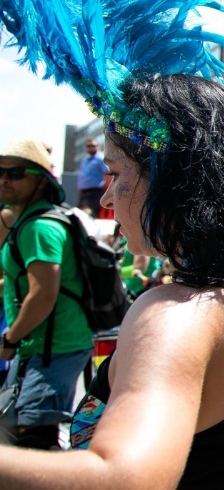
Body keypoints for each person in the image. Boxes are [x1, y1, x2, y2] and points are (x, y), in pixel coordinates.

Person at [0, 139, 92, 450]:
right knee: (21, 432)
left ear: (41, 180)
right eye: (0, 173)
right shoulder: (29, 221)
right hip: (44, 345)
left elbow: (42, 295)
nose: (4, 180)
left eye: (16, 174)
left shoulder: (39, 227)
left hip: (53, 348)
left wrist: (10, 338)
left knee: (35, 439)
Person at [75, 138, 108, 217]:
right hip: (83, 192)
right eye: (88, 146)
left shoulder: (101, 158)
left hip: (95, 192)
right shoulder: (85, 160)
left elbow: (108, 174)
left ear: (98, 147)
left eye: (93, 146)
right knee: (79, 214)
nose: (91, 148)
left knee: (91, 215)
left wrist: (104, 188)